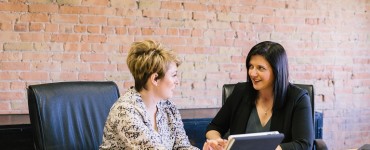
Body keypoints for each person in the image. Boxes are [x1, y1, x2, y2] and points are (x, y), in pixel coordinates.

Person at [203, 41, 314, 150]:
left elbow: (304, 144)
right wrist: (217, 141)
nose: (252, 73)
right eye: (251, 66)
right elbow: (214, 127)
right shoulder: (240, 92)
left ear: (277, 71)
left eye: (260, 68)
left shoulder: (298, 98)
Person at [100, 40, 199, 150]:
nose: (177, 81)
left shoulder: (169, 108)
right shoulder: (125, 111)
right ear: (155, 79)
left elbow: (182, 146)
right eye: (174, 75)